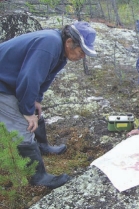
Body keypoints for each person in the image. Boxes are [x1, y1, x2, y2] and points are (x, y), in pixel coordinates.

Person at [0, 21, 97, 189]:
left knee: (34, 109)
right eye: (81, 52)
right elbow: (29, 78)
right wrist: (27, 111)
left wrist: (36, 100)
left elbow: (45, 77)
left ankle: (42, 146)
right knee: (23, 125)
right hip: (2, 84)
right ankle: (37, 176)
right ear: (69, 43)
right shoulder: (49, 45)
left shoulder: (60, 51)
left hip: (11, 81)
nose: (83, 57)